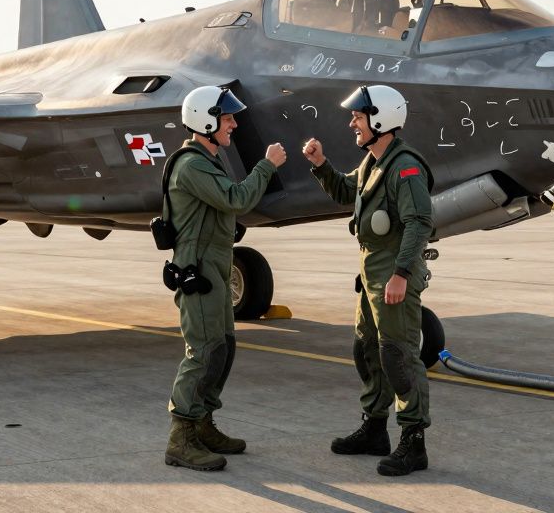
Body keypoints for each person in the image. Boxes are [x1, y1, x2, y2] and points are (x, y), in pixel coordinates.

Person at [302, 84, 434, 476]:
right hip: (370, 275)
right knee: (366, 350)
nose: (352, 123)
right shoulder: (375, 162)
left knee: (399, 355)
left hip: (392, 274)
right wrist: (321, 164)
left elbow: (419, 222)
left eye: (358, 117)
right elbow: (347, 191)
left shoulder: (405, 165)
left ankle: (414, 443)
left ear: (381, 120)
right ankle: (375, 428)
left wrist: (401, 274)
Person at [163, 85, 287, 471]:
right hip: (198, 275)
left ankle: (203, 422)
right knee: (202, 354)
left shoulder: (209, 159)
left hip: (215, 271)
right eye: (227, 117)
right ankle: (180, 440)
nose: (233, 123)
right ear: (206, 121)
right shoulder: (193, 164)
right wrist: (267, 165)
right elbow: (237, 200)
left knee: (223, 348)